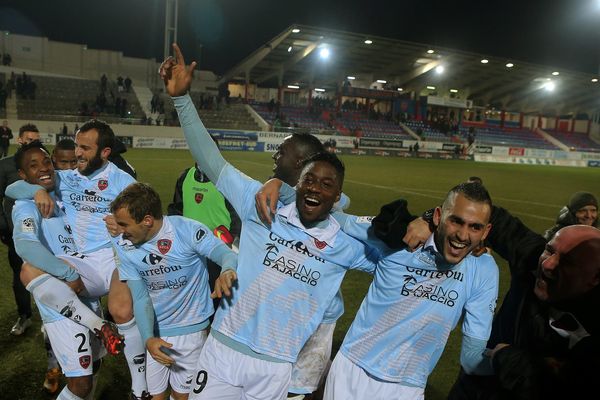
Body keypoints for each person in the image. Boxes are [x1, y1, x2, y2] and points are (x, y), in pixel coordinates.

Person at [162, 43, 378, 400]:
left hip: (276, 364)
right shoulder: (256, 199)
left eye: (327, 185)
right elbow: (210, 160)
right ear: (302, 177)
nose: (277, 157)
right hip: (223, 349)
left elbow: (395, 257)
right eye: (311, 180)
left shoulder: (343, 237)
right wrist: (182, 99)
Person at [257, 181, 499, 400]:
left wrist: (516, 364)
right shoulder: (398, 237)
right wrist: (280, 187)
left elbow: (471, 359)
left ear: (485, 232)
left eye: (475, 227)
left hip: (407, 388)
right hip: (351, 374)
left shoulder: (484, 271)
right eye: (456, 221)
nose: (463, 235)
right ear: (438, 216)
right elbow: (333, 218)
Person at [6, 119, 150, 399]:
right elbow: (13, 188)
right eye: (76, 146)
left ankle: (140, 389)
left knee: (121, 310)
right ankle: (98, 327)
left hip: (114, 257)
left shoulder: (124, 182)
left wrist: (122, 227)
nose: (77, 154)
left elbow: (147, 223)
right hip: (81, 263)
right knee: (29, 269)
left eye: (85, 148)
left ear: (105, 152)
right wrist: (35, 190)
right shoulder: (66, 177)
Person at [445, 211, 600, 400]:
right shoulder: (533, 257)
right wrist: (428, 221)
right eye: (550, 250)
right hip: (473, 388)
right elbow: (485, 214)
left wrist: (511, 361)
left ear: (595, 278)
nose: (548, 264)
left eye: (567, 261)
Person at [108, 183, 238, 400]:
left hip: (191, 332)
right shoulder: (126, 246)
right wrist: (148, 338)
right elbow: (140, 297)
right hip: (156, 332)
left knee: (183, 397)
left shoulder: (186, 230)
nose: (119, 231)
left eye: (124, 224)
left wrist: (227, 270)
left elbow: (226, 255)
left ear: (147, 221)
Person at [13, 141, 117, 400]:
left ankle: (97, 324)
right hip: (61, 302)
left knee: (94, 367)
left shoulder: (61, 197)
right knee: (79, 383)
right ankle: (97, 325)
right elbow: (25, 245)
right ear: (23, 175)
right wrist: (68, 273)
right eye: (33, 166)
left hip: (86, 293)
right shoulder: (26, 206)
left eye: (46, 161)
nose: (44, 168)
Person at [269, 133, 347, 400]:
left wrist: (280, 186)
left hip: (316, 318)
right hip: (276, 311)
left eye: (282, 151)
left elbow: (343, 201)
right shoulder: (269, 198)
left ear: (299, 161)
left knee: (298, 389)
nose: (275, 156)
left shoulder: (331, 207)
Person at [167, 162, 241, 312]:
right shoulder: (185, 177)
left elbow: (238, 215)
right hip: (190, 249)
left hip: (217, 249)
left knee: (217, 296)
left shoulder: (227, 180)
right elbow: (177, 208)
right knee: (190, 295)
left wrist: (232, 241)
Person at [0, 123, 41, 335]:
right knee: (19, 277)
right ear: (20, 140)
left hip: (44, 234)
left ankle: (53, 317)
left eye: (36, 139)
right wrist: (3, 228)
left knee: (49, 276)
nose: (33, 143)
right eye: (30, 139)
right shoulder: (5, 165)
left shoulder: (46, 164)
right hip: (15, 234)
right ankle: (24, 315)